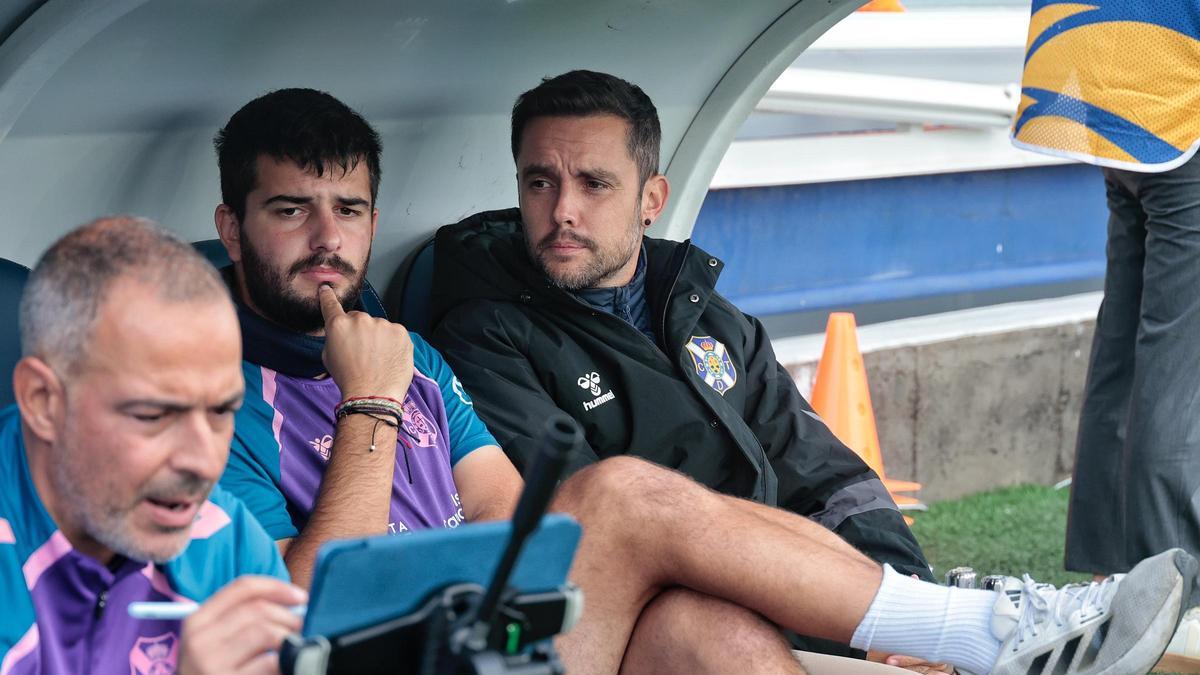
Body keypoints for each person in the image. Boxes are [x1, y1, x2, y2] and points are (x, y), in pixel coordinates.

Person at [209, 87, 1195, 675]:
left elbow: (521, 530)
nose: (328, 238)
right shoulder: (213, 394)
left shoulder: (412, 356)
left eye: (349, 210)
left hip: (493, 637)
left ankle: (965, 623)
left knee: (707, 634)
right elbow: (305, 609)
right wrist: (369, 404)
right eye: (291, 211)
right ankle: (986, 632)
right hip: (385, 655)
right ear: (231, 229)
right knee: (622, 497)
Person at [427, 70, 931, 658]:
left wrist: (907, 589)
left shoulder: (712, 319)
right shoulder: (483, 337)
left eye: (594, 184)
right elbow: (603, 535)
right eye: (540, 182)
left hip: (801, 604)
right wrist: (855, 623)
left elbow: (829, 478)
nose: (563, 210)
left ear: (651, 200)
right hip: (675, 631)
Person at [0, 217, 305, 675]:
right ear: (43, 401)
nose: (204, 464)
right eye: (153, 416)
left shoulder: (226, 538)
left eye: (221, 411)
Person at [1011, 3, 1200, 666]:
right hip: (1175, 94)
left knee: (1126, 338)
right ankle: (1172, 594)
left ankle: (1111, 569)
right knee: (1177, 358)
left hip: (1107, 86)